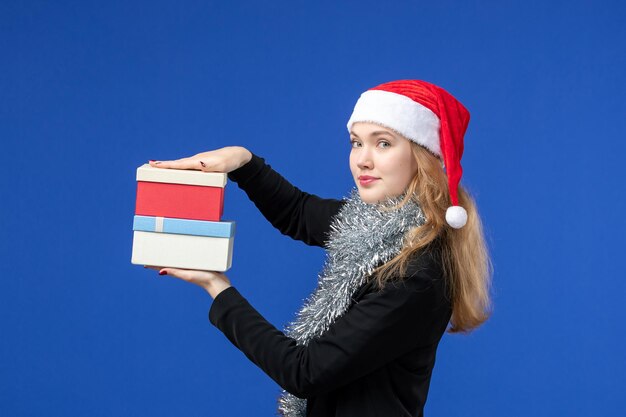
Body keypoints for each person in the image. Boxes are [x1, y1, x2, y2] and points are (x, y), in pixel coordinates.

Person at [145, 79, 492, 417]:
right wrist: (243, 161)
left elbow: (304, 372)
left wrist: (216, 286)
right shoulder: (369, 225)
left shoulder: (417, 274)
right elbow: (297, 213)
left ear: (423, 157)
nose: (363, 160)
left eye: (383, 143)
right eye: (356, 142)